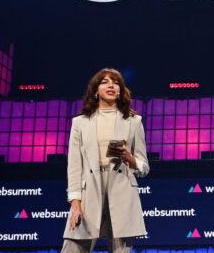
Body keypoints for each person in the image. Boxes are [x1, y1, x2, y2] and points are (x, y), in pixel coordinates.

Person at [61, 68, 149, 253]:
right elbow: (75, 166)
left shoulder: (134, 121)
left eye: (116, 82)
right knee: (73, 246)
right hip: (90, 189)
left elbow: (144, 167)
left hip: (121, 188)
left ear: (120, 91)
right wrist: (75, 203)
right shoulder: (80, 123)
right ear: (95, 90)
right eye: (104, 82)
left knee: (121, 249)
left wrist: (131, 159)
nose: (111, 85)